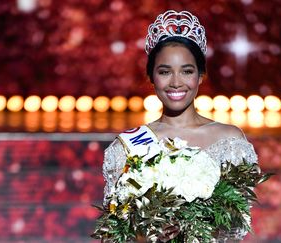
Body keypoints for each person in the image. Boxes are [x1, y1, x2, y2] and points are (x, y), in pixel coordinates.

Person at [102, 10, 259, 242]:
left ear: (201, 76)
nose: (176, 82)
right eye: (165, 72)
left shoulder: (230, 141)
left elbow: (237, 224)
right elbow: (113, 234)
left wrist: (189, 223)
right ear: (151, 77)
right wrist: (148, 232)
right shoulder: (126, 147)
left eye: (187, 71)